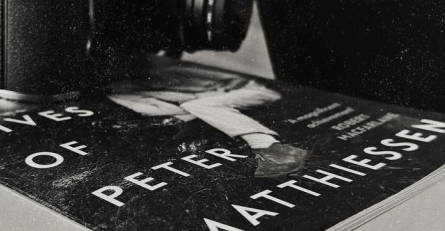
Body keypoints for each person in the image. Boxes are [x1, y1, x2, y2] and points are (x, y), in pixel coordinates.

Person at [107, 64, 310, 177]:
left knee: (198, 106)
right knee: (194, 109)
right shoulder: (140, 89)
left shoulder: (167, 72)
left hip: (254, 90)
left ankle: (273, 149)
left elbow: (228, 83)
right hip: (223, 96)